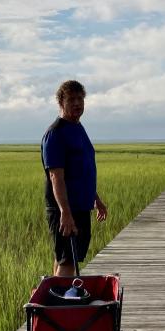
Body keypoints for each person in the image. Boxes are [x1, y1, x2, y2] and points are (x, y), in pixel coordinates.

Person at [41, 80, 108, 277]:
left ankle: (56, 299)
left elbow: (81, 170)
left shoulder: (78, 128)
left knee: (64, 257)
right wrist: (65, 212)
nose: (77, 103)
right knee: (68, 261)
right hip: (66, 209)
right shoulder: (56, 134)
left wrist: (96, 199)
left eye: (80, 99)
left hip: (80, 207)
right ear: (61, 102)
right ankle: (62, 304)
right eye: (72, 99)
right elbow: (56, 177)